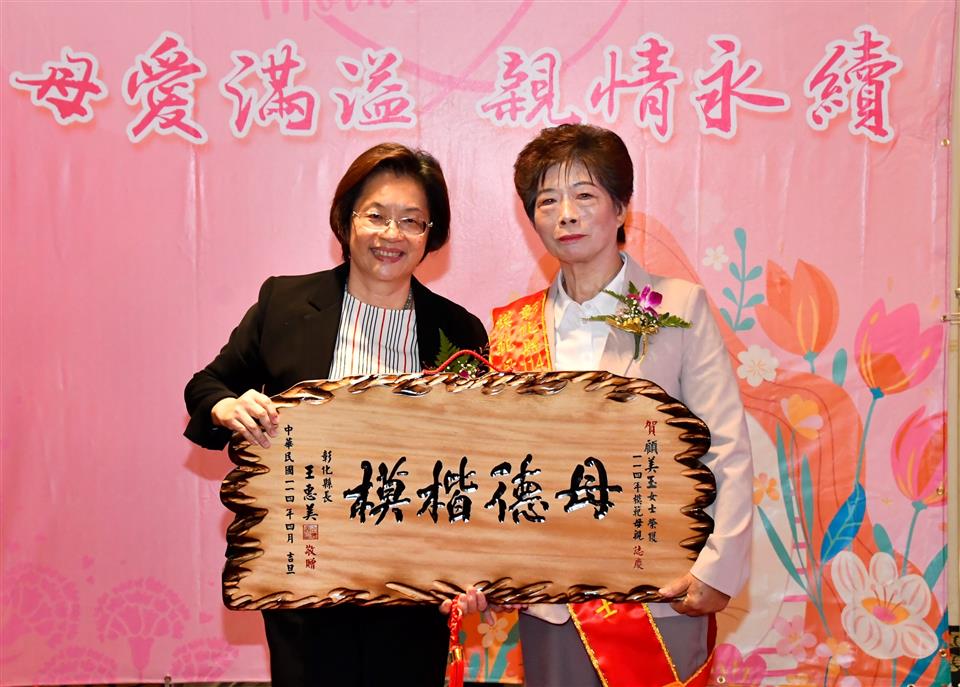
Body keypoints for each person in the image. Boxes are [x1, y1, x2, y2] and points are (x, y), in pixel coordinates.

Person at [184, 142, 488, 687]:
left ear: (431, 234)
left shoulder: (459, 331)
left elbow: (479, 459)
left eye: (411, 221)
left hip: (413, 586)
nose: (391, 234)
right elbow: (208, 385)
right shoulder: (286, 304)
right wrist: (228, 406)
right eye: (375, 215)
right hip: (304, 569)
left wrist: (473, 565)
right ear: (347, 220)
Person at [486, 124, 753, 687]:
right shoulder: (514, 328)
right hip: (551, 603)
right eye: (547, 201)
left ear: (621, 206)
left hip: (659, 594)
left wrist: (718, 569)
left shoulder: (677, 307)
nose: (566, 214)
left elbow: (723, 445)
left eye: (584, 194)